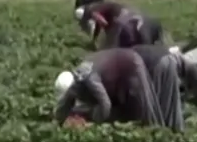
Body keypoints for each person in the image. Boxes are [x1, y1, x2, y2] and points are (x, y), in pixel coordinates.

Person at [54, 48, 183, 131]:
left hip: (131, 65)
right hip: (117, 76)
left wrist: (93, 122)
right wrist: (59, 121)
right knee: (127, 110)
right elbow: (65, 102)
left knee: (143, 107)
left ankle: (159, 133)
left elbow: (105, 104)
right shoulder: (74, 81)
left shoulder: (88, 77)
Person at [129, 44, 184, 131]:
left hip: (156, 63)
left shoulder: (125, 60)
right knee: (170, 97)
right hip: (168, 58)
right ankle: (175, 127)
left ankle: (158, 129)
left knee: (155, 100)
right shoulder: (132, 51)